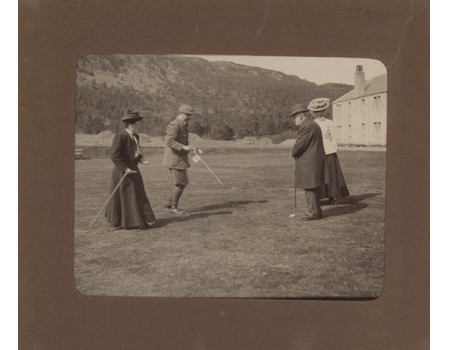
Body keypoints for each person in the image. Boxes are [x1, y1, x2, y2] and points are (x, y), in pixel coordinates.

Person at [105, 110, 157, 229]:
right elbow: (114, 155)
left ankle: (140, 221)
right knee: (126, 196)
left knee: (138, 194)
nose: (139, 125)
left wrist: (141, 159)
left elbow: (136, 152)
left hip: (134, 169)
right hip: (122, 171)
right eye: (137, 123)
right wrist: (125, 169)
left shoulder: (136, 137)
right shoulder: (120, 136)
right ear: (130, 124)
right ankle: (126, 222)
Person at [289, 103, 329, 221]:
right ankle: (317, 212)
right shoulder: (312, 124)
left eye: (294, 118)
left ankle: (313, 213)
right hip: (313, 160)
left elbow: (300, 144)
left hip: (310, 162)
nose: (293, 120)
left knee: (310, 187)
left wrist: (292, 152)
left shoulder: (307, 126)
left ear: (300, 116)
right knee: (312, 187)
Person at [308, 97, 350, 205]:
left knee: (331, 175)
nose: (319, 114)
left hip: (329, 152)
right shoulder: (312, 124)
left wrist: (334, 148)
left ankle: (332, 196)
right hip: (317, 152)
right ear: (314, 113)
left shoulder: (329, 122)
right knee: (319, 175)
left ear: (324, 111)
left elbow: (334, 137)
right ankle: (319, 197)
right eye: (316, 112)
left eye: (320, 111)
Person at [162, 104, 197, 215]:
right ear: (185, 114)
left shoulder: (183, 124)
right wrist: (185, 147)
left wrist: (190, 149)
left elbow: (181, 142)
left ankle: (169, 202)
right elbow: (170, 141)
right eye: (189, 115)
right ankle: (173, 207)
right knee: (180, 183)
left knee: (183, 182)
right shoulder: (175, 124)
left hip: (180, 158)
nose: (190, 117)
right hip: (175, 159)